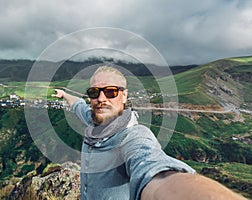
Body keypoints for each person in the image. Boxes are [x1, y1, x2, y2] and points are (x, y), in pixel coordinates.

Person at [52, 66, 246, 200]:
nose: (101, 98)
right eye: (94, 92)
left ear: (124, 95)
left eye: (110, 92)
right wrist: (64, 95)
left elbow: (155, 173)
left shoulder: (133, 137)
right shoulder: (96, 121)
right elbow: (78, 106)